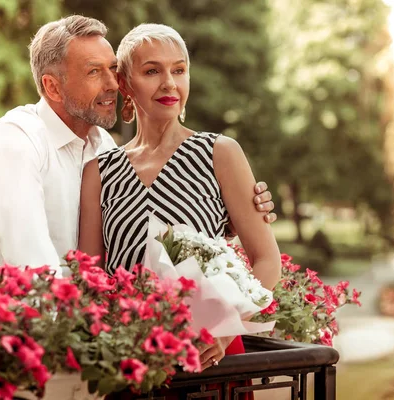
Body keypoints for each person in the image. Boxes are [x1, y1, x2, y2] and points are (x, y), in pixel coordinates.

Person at [0, 16, 275, 276]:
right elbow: (33, 267)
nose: (113, 84)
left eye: (112, 68)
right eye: (94, 71)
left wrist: (225, 214)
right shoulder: (16, 141)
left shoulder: (101, 149)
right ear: (52, 87)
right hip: (10, 334)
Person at [77, 23, 282, 386]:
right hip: (133, 364)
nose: (169, 83)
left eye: (179, 70)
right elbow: (90, 280)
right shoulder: (99, 170)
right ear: (124, 84)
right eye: (152, 71)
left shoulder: (220, 153)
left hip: (210, 357)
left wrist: (225, 325)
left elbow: (268, 260)